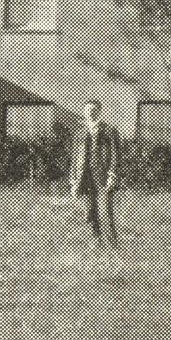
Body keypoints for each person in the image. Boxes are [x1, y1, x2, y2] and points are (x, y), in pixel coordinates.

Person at [69, 99, 123, 245]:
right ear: (84, 112)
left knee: (105, 210)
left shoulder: (109, 131)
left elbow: (115, 155)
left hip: (103, 176)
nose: (90, 112)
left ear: (99, 111)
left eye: (93, 109)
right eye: (87, 110)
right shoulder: (79, 133)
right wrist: (73, 180)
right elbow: (74, 158)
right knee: (89, 210)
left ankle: (112, 243)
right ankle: (96, 239)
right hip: (84, 177)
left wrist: (112, 175)